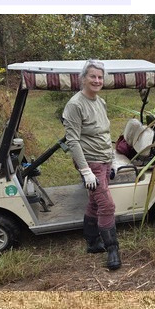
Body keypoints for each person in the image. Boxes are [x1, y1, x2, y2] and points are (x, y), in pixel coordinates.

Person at [63, 59, 121, 270]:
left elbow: (105, 133)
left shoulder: (100, 102)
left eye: (100, 77)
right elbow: (73, 140)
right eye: (92, 76)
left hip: (104, 160)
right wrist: (86, 171)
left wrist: (112, 158)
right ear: (83, 79)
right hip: (91, 163)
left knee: (96, 203)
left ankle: (92, 242)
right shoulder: (75, 105)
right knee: (107, 205)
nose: (97, 80)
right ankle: (112, 248)